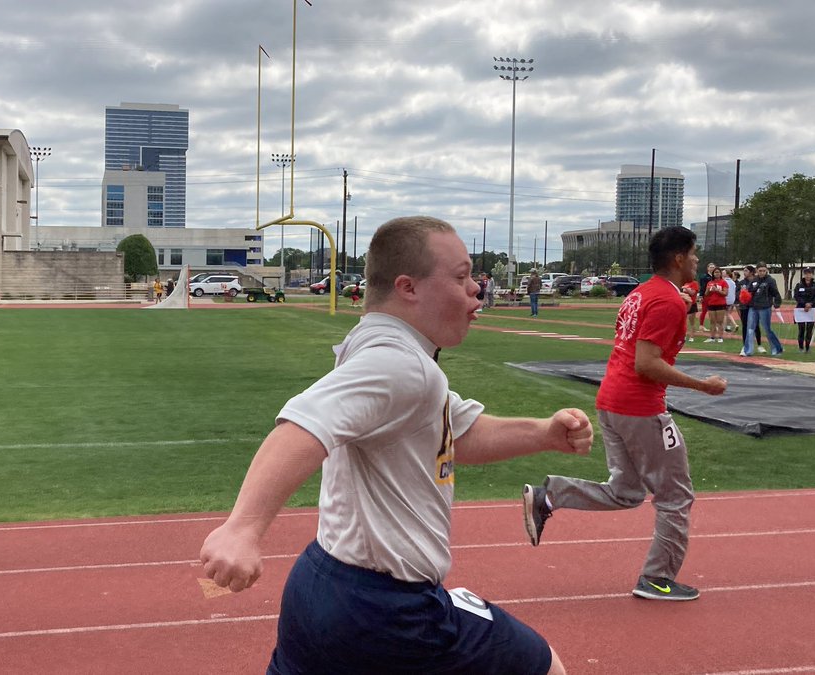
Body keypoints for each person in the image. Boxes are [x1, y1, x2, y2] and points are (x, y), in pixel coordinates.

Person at [200, 216, 591, 675]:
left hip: (321, 584)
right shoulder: (401, 365)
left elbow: (458, 433)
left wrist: (544, 433)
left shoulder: (379, 346)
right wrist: (242, 528)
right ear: (408, 287)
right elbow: (303, 425)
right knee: (543, 667)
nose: (476, 292)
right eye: (462, 277)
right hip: (387, 611)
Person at [521, 225, 727, 602]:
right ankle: (657, 578)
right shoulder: (665, 301)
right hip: (640, 407)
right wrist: (702, 385)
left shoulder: (640, 293)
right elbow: (646, 364)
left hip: (612, 401)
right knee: (675, 497)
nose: (698, 260)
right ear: (679, 258)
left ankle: (552, 494)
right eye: (694, 253)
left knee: (626, 491)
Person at [742, 263, 784, 357]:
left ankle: (776, 348)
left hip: (765, 307)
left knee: (767, 329)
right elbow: (749, 292)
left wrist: (777, 303)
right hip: (753, 307)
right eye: (760, 270)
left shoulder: (770, 280)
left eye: (764, 271)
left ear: (766, 271)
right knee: (750, 328)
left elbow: (775, 293)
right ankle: (748, 350)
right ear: (756, 271)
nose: (762, 272)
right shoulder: (754, 280)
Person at [736, 264, 765, 354]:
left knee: (756, 326)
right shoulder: (741, 283)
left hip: (754, 307)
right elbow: (737, 294)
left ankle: (759, 345)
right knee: (745, 326)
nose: (744, 273)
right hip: (744, 307)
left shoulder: (757, 281)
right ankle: (745, 346)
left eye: (746, 271)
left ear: (752, 272)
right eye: (744, 271)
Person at [793, 267, 815, 353]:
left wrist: (810, 304)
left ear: (812, 275)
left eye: (809, 273)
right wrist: (804, 303)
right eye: (806, 273)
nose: (808, 275)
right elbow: (796, 296)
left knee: (809, 329)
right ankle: (801, 347)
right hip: (801, 309)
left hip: (811, 309)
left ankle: (808, 348)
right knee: (801, 329)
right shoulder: (799, 285)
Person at [703, 266, 728, 343]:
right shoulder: (710, 283)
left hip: (720, 303)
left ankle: (720, 337)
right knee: (712, 321)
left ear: (720, 274)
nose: (716, 274)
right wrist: (708, 290)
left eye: (718, 272)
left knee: (720, 321)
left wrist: (717, 290)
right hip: (711, 303)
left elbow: (725, 293)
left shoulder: (723, 282)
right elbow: (706, 294)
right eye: (715, 272)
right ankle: (712, 337)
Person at [697, 262, 717, 331]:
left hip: (715, 295)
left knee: (714, 311)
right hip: (706, 295)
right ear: (707, 268)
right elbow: (702, 287)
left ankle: (714, 325)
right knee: (704, 310)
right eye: (710, 267)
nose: (712, 269)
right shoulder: (704, 277)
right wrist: (701, 295)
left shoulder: (716, 277)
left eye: (713, 267)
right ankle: (701, 325)